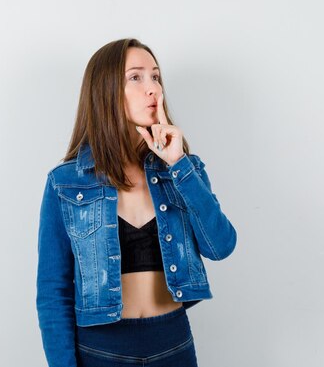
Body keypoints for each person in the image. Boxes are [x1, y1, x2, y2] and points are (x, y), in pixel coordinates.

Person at [35, 38, 238, 367]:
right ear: (106, 91)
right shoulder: (66, 182)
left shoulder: (185, 169)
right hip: (102, 351)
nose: (153, 89)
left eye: (156, 77)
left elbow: (221, 246)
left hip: (173, 345)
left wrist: (179, 165)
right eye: (136, 77)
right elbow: (53, 289)